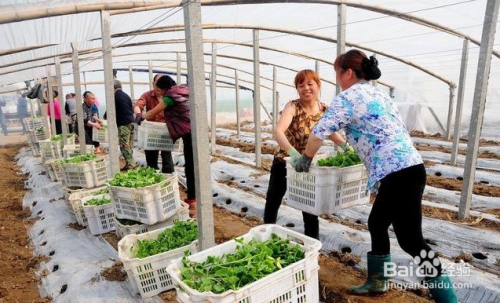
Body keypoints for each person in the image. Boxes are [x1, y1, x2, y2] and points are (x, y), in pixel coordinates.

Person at [294, 49, 458, 303]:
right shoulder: (378, 94)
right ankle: (377, 282)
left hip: (398, 173)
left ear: (348, 73)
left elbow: (318, 133)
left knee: (411, 240)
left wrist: (306, 159)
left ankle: (448, 298)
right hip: (412, 167)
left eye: (337, 72)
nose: (336, 78)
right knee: (378, 223)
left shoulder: (348, 97)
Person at [263, 70, 345, 240]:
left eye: (310, 84)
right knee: (273, 199)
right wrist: (292, 153)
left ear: (318, 85)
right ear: (297, 89)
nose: (306, 88)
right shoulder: (293, 106)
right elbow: (278, 132)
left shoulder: (324, 109)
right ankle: (266, 235)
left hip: (307, 164)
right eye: (301, 85)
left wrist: (345, 146)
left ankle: (311, 245)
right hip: (284, 162)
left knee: (309, 207)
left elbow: (329, 132)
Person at [135, 75, 195, 217]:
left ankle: (193, 202)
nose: (158, 91)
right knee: (154, 159)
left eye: (159, 89)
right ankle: (190, 198)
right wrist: (139, 111)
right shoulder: (184, 90)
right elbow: (139, 105)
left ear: (162, 88)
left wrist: (140, 117)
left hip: (186, 133)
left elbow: (152, 113)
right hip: (192, 131)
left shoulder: (169, 97)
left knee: (190, 167)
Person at [133, 74, 175, 174]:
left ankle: (168, 178)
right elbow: (138, 106)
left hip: (166, 132)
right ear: (153, 84)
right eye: (157, 85)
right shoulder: (147, 95)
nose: (159, 89)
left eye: (162, 86)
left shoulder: (169, 96)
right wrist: (139, 114)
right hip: (151, 131)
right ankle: (154, 177)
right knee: (151, 158)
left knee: (167, 158)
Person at [113, 80, 136, 171]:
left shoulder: (115, 96)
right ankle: (129, 163)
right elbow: (132, 109)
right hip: (131, 122)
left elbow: (111, 110)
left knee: (124, 145)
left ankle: (130, 164)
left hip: (123, 124)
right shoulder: (126, 95)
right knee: (129, 144)